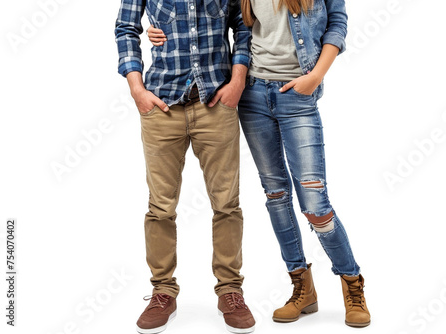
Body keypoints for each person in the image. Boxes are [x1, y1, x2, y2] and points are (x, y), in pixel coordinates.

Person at [147, 0, 371, 328]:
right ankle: (301, 288)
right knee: (276, 196)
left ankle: (352, 283)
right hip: (252, 94)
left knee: (314, 203)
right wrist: (162, 31)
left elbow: (337, 23)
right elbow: (226, 24)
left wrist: (316, 75)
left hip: (297, 94)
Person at [114, 1, 256, 333]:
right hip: (162, 103)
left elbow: (244, 25)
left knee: (227, 204)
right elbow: (126, 29)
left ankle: (230, 290)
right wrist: (137, 89)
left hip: (215, 101)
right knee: (161, 207)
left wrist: (237, 80)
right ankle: (163, 291)